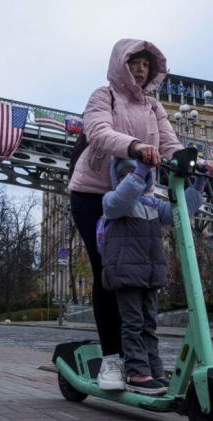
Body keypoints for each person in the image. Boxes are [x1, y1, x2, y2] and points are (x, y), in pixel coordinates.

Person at [69, 38, 190, 390]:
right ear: (121, 65)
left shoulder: (154, 107)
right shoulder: (102, 96)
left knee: (138, 277)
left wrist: (195, 162)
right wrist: (135, 146)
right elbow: (98, 131)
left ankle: (141, 362)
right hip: (93, 195)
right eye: (134, 62)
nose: (141, 69)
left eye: (146, 64)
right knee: (108, 273)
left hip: (136, 194)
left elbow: (170, 144)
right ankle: (111, 362)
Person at [99, 157, 213, 394]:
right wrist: (141, 169)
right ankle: (136, 372)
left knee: (149, 325)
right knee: (133, 324)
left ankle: (153, 370)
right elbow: (123, 197)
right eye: (124, 176)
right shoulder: (112, 202)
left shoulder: (152, 206)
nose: (131, 179)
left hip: (149, 275)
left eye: (135, 174)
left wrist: (199, 184)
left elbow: (180, 212)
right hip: (126, 273)